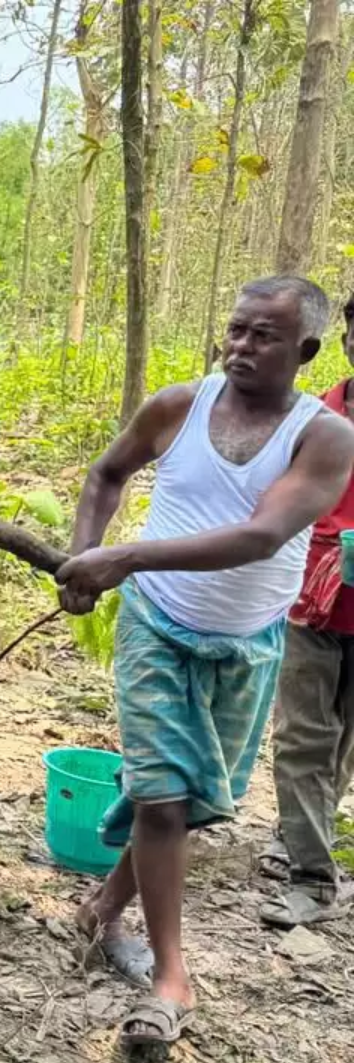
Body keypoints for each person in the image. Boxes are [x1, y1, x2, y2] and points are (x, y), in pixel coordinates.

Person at [56, 276, 354, 1056]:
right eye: (237, 329)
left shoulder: (324, 437)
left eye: (265, 336)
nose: (242, 346)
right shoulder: (178, 405)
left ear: (306, 351)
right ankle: (171, 978)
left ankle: (100, 908)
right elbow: (107, 473)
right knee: (160, 798)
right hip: (158, 621)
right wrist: (88, 552)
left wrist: (125, 553)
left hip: (250, 638)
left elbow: (261, 537)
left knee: (188, 805)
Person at [259, 291, 354, 928]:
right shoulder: (315, 421)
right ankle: (313, 877)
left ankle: (302, 829)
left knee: (343, 736)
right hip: (312, 602)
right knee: (303, 735)